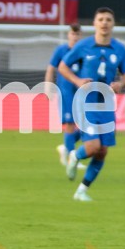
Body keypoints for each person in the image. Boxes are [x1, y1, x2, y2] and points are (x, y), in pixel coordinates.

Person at [58, 8, 125, 202]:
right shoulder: (84, 46)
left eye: (108, 19)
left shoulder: (120, 49)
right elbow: (62, 66)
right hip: (85, 103)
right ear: (94, 23)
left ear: (113, 24)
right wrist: (77, 81)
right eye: (101, 19)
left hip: (106, 105)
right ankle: (74, 155)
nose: (104, 23)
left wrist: (120, 84)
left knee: (103, 151)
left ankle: (81, 191)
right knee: (92, 147)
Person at [45, 23, 83, 167]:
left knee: (88, 125)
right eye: (73, 34)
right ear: (68, 35)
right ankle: (72, 158)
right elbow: (50, 68)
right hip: (65, 91)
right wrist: (48, 87)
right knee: (70, 124)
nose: (75, 37)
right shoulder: (61, 50)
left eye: (78, 34)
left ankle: (66, 147)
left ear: (81, 36)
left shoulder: (84, 52)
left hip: (81, 92)